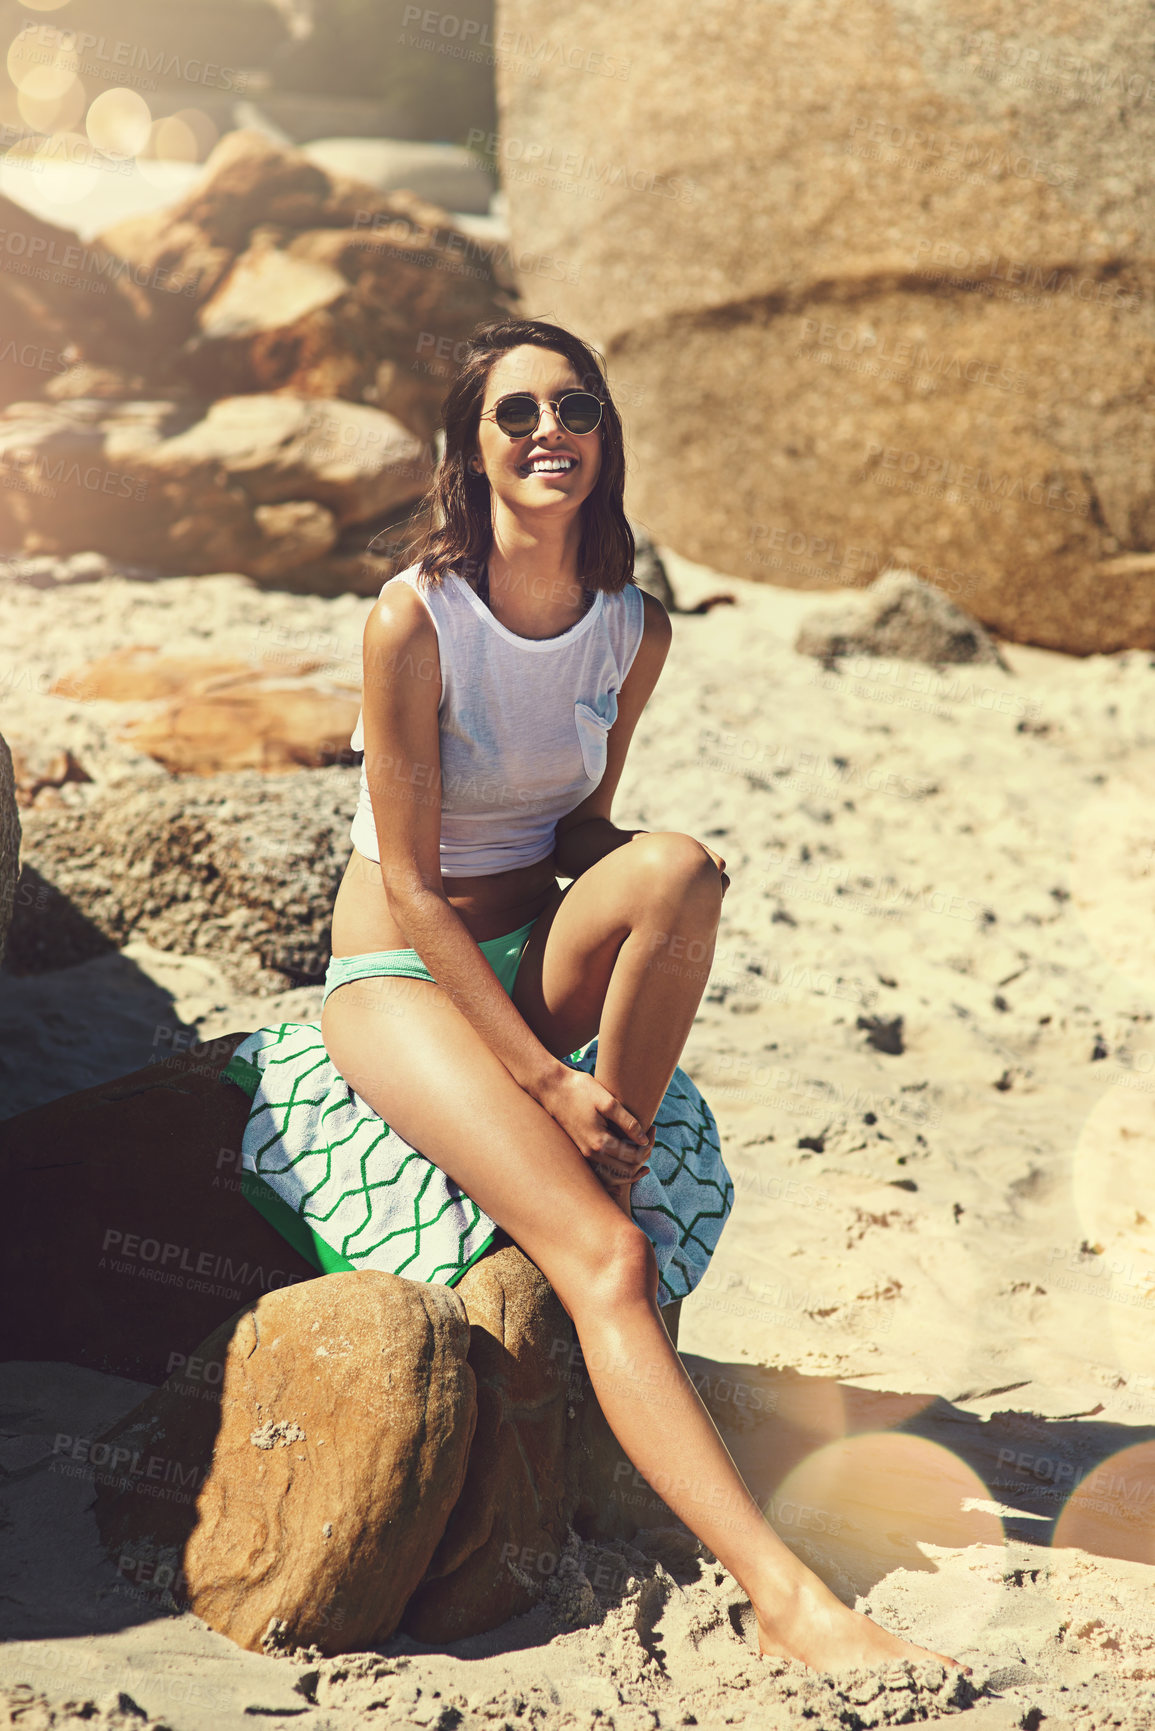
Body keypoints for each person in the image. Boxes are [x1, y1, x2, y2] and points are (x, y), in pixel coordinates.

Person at [320, 316, 965, 1675]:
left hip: (528, 960)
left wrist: (664, 904)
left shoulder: (631, 625)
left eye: (577, 406)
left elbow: (579, 831)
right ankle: (787, 1599)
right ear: (469, 450)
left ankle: (617, 1141)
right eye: (515, 413)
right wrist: (542, 1077)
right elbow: (423, 894)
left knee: (684, 863)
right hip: (400, 975)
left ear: (605, 437)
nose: (550, 429)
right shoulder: (417, 619)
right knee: (606, 1263)